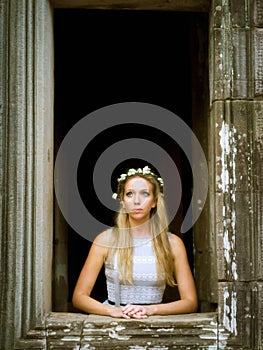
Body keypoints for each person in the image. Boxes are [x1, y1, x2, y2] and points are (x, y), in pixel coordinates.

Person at [72, 165, 198, 319]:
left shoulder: (172, 243)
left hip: (154, 325)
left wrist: (151, 310)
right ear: (123, 201)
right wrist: (113, 311)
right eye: (130, 194)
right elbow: (79, 297)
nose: (137, 201)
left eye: (145, 194)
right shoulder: (106, 239)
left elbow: (190, 302)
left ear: (154, 202)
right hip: (112, 325)